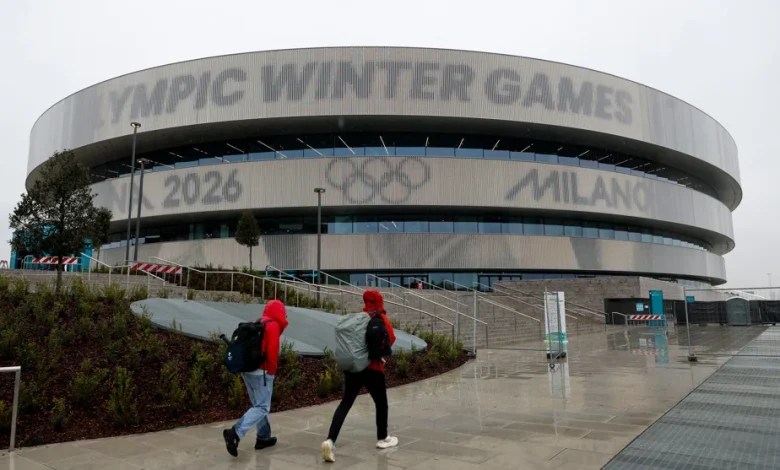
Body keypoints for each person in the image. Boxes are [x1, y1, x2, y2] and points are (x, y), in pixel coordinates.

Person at [321, 290, 398, 463]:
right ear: (379, 301)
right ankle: (383, 438)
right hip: (373, 368)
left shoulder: (359, 318)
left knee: (345, 403)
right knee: (381, 404)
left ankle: (330, 440)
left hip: (354, 368)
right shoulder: (379, 317)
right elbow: (391, 338)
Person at [223, 299, 289, 457]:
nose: (285, 314)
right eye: (283, 311)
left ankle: (263, 437)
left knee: (258, 405)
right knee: (262, 407)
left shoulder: (258, 322)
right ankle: (235, 433)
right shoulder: (273, 325)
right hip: (262, 372)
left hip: (248, 370)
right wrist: (272, 372)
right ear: (278, 311)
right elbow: (272, 351)